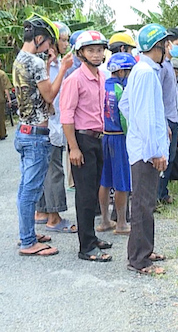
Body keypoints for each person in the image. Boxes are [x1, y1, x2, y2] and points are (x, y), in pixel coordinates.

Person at [13, 14, 71, 256]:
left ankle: (28, 233)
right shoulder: (34, 63)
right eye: (47, 42)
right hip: (36, 134)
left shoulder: (20, 60)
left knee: (27, 188)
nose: (49, 47)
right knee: (30, 190)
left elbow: (35, 94)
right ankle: (28, 242)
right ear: (38, 38)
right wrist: (63, 69)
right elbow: (49, 96)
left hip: (25, 130)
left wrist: (48, 66)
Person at [119, 23, 169, 276]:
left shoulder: (140, 70)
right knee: (142, 205)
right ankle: (138, 259)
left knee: (145, 203)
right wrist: (154, 151)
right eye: (165, 45)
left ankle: (145, 250)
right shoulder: (147, 74)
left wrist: (140, 134)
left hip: (141, 147)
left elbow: (125, 104)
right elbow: (146, 116)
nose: (167, 50)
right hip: (146, 153)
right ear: (156, 47)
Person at [60, 30, 113, 262]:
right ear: (81, 53)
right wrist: (73, 147)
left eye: (99, 49)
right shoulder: (74, 79)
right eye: (91, 50)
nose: (96, 54)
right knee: (84, 194)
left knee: (93, 192)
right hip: (82, 140)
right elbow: (67, 116)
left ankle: (91, 237)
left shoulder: (102, 76)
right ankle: (86, 247)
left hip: (98, 139)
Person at [35, 21, 77, 233]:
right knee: (54, 170)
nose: (66, 43)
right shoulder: (50, 66)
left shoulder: (54, 64)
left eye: (67, 39)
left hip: (54, 123)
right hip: (50, 124)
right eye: (62, 39)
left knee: (45, 169)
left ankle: (42, 211)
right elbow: (49, 95)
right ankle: (54, 216)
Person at [97, 53, 135, 235]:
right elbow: (125, 118)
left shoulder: (102, 86)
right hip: (119, 137)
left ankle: (104, 220)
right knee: (121, 182)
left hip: (104, 136)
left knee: (104, 181)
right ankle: (121, 223)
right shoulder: (122, 90)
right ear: (121, 71)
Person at [157, 28, 178, 203]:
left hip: (173, 119)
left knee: (171, 157)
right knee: (164, 159)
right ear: (167, 43)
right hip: (166, 120)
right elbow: (158, 96)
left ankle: (163, 192)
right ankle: (158, 195)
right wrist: (164, 123)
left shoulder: (169, 65)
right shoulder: (161, 68)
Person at [0, 64, 12, 140]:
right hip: (0, 99)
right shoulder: (2, 74)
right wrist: (9, 99)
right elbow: (6, 88)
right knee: (1, 117)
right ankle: (2, 134)